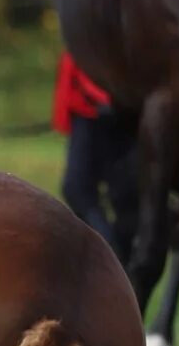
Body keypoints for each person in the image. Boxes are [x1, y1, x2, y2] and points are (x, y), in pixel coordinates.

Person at [52, 51, 138, 265]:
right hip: (96, 105)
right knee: (110, 195)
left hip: (102, 107)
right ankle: (113, 259)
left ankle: (112, 259)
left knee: (83, 190)